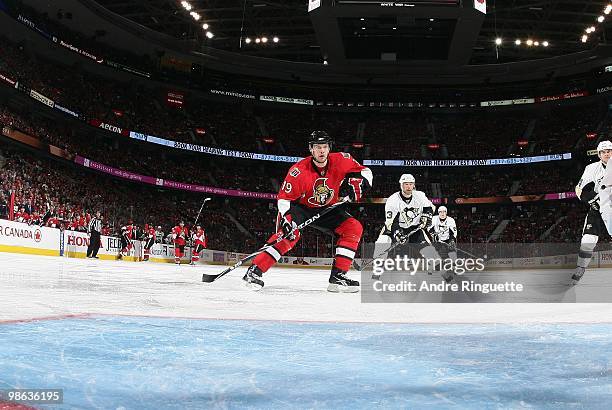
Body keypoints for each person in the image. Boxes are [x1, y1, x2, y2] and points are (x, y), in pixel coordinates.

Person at [243, 130, 373, 292]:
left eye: (324, 147)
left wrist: (360, 184)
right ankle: (254, 271)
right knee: (290, 235)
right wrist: (286, 219)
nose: (321, 151)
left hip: (328, 208)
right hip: (299, 208)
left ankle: (338, 277)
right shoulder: (298, 171)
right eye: (317, 147)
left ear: (329, 148)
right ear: (311, 149)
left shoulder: (342, 159)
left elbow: (366, 172)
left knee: (353, 227)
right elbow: (284, 199)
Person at [374, 173, 453, 283]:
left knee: (429, 251)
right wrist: (397, 233)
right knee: (382, 241)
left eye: (411, 184)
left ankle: (444, 274)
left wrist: (427, 216)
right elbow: (390, 222)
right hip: (395, 227)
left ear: (414, 185)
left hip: (414, 228)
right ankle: (377, 271)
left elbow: (429, 208)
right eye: (406, 184)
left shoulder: (420, 195)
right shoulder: (392, 200)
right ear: (401, 185)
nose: (408, 186)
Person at [573, 140, 612, 284]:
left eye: (609, 151)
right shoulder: (592, 168)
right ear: (599, 154)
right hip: (598, 208)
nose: (607, 153)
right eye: (603, 151)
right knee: (588, 240)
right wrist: (591, 200)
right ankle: (581, 268)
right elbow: (579, 189)